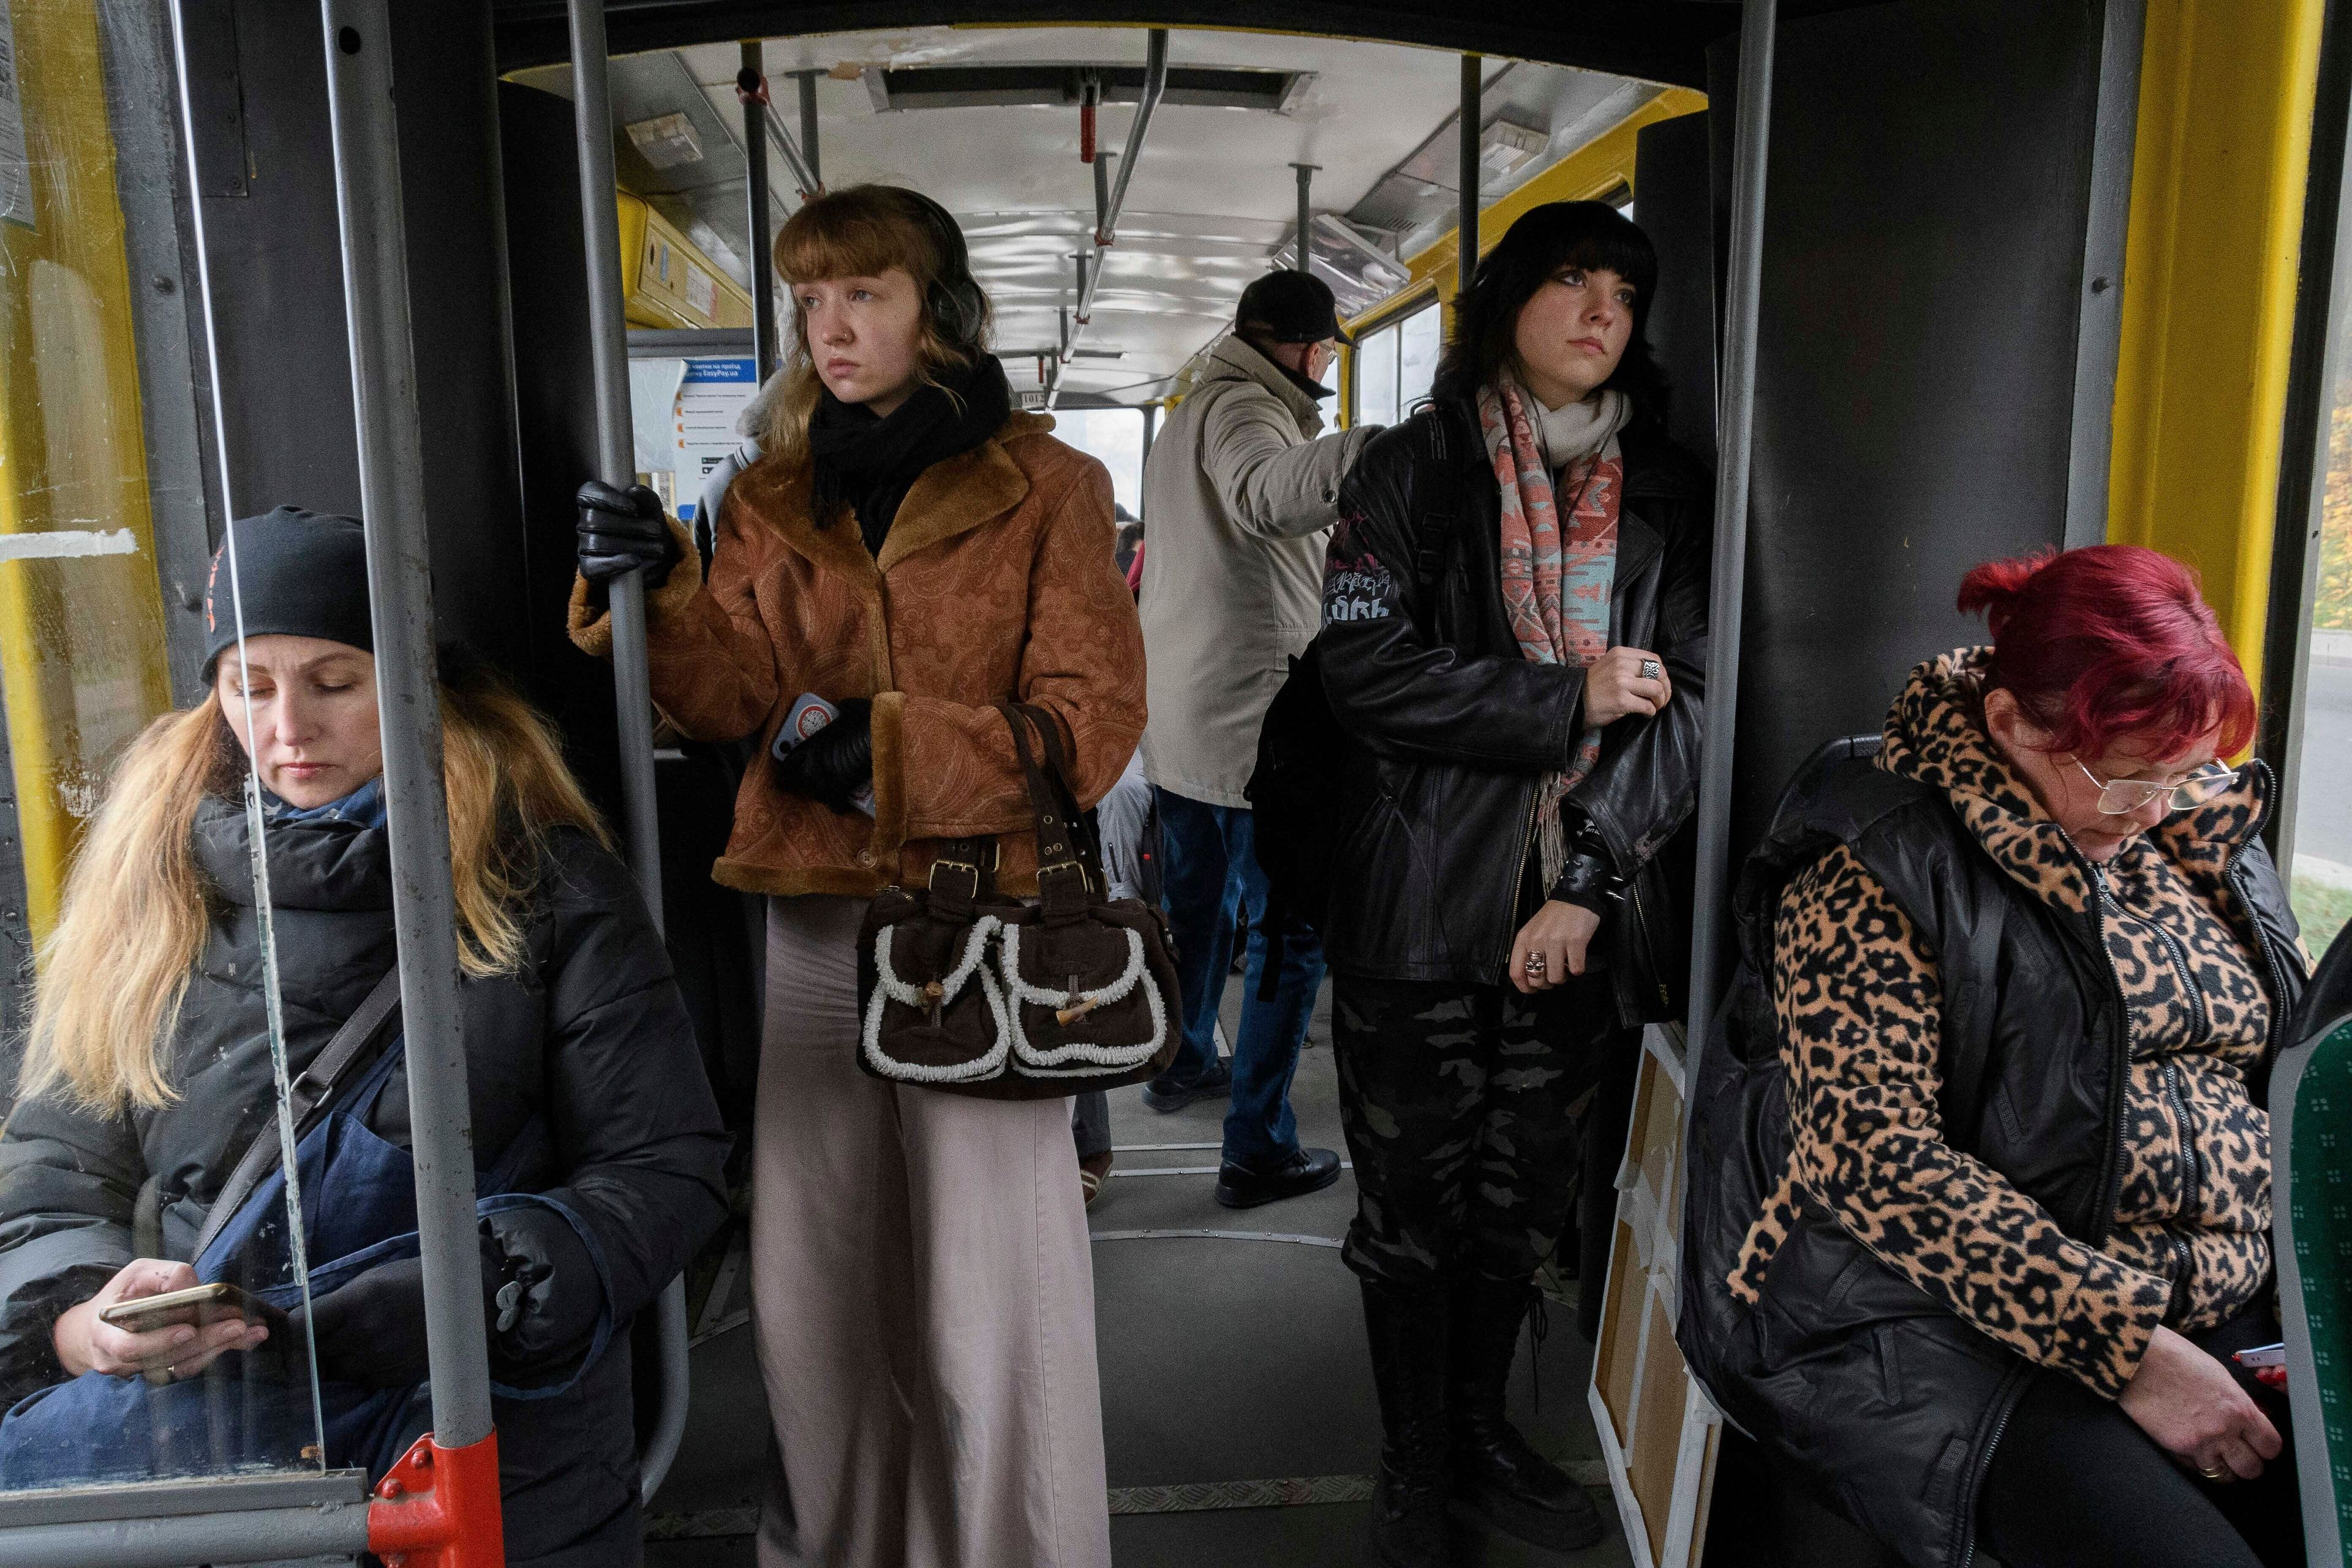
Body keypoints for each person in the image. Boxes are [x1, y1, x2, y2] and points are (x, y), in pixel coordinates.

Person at [570, 184, 1142, 1568]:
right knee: (819, 1269)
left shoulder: (1050, 487)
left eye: (864, 295)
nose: (830, 329)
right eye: (811, 302)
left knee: (985, 1277)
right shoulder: (771, 495)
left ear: (934, 308)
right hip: (822, 923)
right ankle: (839, 1537)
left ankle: (1012, 1539)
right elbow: (727, 697)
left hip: (982, 919)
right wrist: (659, 591)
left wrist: (889, 755)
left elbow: (1090, 722)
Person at [0, 507, 729, 1565]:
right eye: (249, 687)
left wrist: (493, 1283)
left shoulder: (541, 884)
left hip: (482, 1439)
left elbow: (669, 1165)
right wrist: (83, 1321)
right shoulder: (146, 891)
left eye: (334, 683)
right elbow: (55, 1171)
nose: (288, 727)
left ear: (411, 684)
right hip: (213, 1435)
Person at [1683, 546, 2312, 1568]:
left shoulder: (2197, 838)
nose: (2153, 811)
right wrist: (2132, 1352)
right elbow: (1878, 1164)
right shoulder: (1875, 866)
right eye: (2124, 781)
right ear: (2011, 722)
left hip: (2212, 1289)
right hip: (1933, 1314)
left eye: (2183, 772)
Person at [1316, 202, 1709, 1563]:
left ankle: (1482, 1427)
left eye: (1623, 289)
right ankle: (1414, 1458)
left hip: (1583, 900)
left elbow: (1693, 702)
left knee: (1523, 1198)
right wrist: (1563, 695)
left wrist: (1591, 879)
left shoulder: (1667, 491)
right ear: (1505, 302)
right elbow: (1362, 672)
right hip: (1418, 901)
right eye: (1568, 282)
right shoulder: (1413, 471)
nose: (1600, 310)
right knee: (1412, 1206)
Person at [1136, 268, 1378, 1208]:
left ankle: (1184, 1056)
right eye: (1325, 350)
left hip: (1186, 714)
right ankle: (1257, 1147)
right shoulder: (1246, 410)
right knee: (1289, 932)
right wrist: (1374, 451)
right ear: (1303, 347)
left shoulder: (1189, 410)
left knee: (1199, 907)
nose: (1324, 364)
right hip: (1255, 724)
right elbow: (1265, 496)